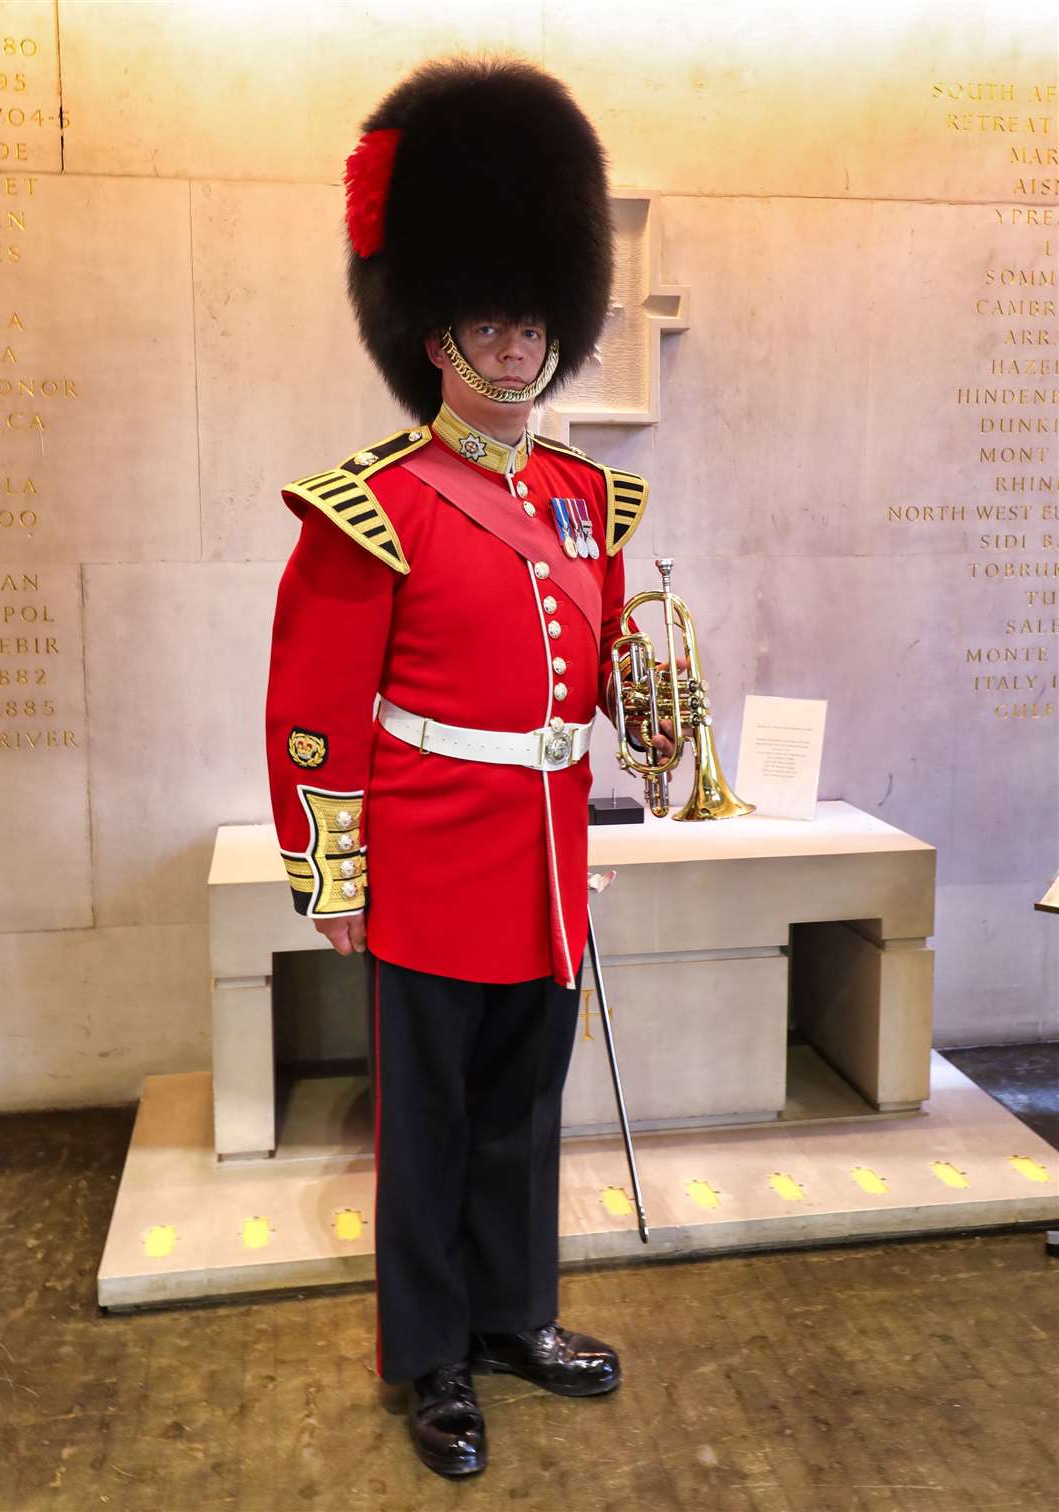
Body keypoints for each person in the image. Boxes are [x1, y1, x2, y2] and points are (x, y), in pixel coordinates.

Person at [264, 57, 650, 1479]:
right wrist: (336, 872)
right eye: (489, 320)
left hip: (550, 866)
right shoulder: (371, 510)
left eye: (534, 318)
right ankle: (430, 1356)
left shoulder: (583, 502)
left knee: (522, 1118)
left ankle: (514, 1317)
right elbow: (314, 709)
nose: (515, 347)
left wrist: (659, 712)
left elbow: (593, 675)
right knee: (424, 1133)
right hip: (428, 869)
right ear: (436, 336)